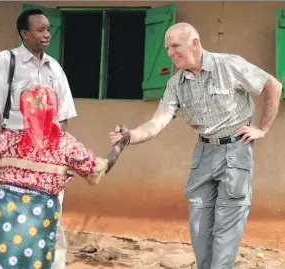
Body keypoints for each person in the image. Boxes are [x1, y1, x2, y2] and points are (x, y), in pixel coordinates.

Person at [109, 22, 282, 269]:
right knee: (200, 230)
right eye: (167, 48)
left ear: (195, 43)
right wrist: (130, 136)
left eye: (175, 46)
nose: (170, 53)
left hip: (235, 151)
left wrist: (262, 129)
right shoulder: (176, 84)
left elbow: (273, 85)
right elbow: (157, 122)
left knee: (225, 232)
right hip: (203, 153)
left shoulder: (229, 65)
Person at [0, 85, 130, 269]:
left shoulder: (8, 140)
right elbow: (98, 170)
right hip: (36, 227)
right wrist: (120, 145)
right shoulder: (65, 145)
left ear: (24, 111)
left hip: (0, 227)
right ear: (54, 111)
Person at [0, 9, 76, 268]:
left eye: (48, 30)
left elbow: (63, 116)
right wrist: (1, 149)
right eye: (40, 30)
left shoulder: (55, 67)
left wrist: (59, 154)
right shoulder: (6, 60)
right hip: (14, 153)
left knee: (50, 211)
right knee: (11, 214)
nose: (47, 35)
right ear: (24, 34)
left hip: (47, 156)